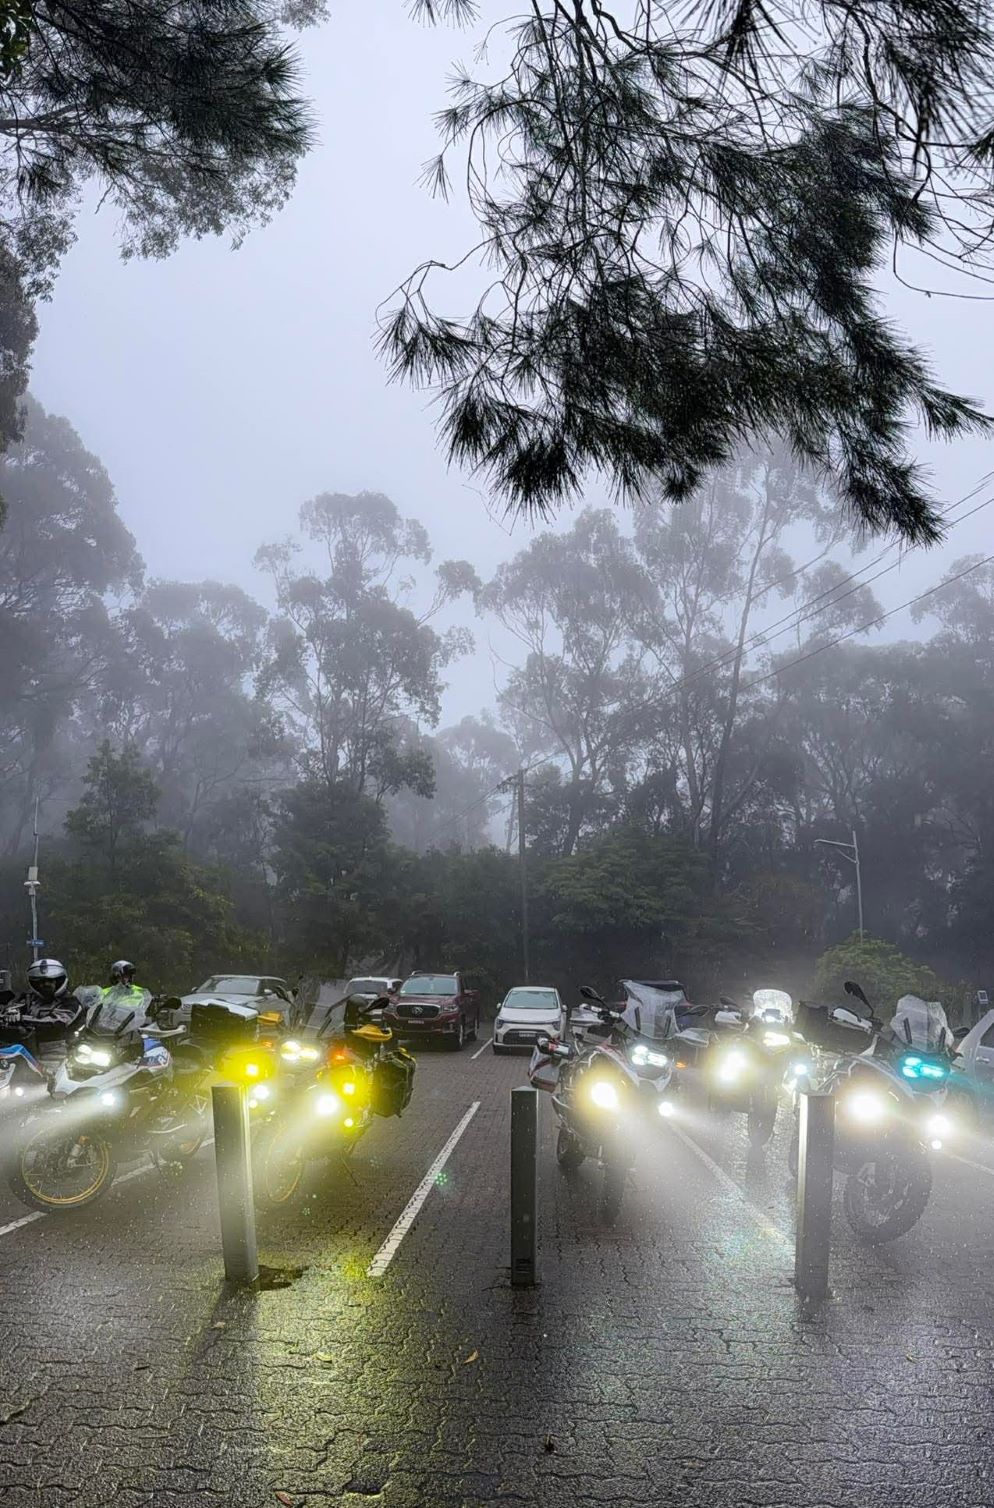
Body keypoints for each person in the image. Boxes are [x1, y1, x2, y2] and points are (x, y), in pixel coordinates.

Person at [2, 958, 88, 1063]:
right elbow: (12, 1007)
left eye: (50, 980)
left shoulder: (70, 1002)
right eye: (41, 981)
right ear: (35, 983)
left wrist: (22, 1018)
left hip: (56, 1052)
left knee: (50, 1072)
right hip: (26, 1050)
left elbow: (58, 1022)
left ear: (58, 981)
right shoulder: (28, 998)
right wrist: (11, 1012)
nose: (46, 984)